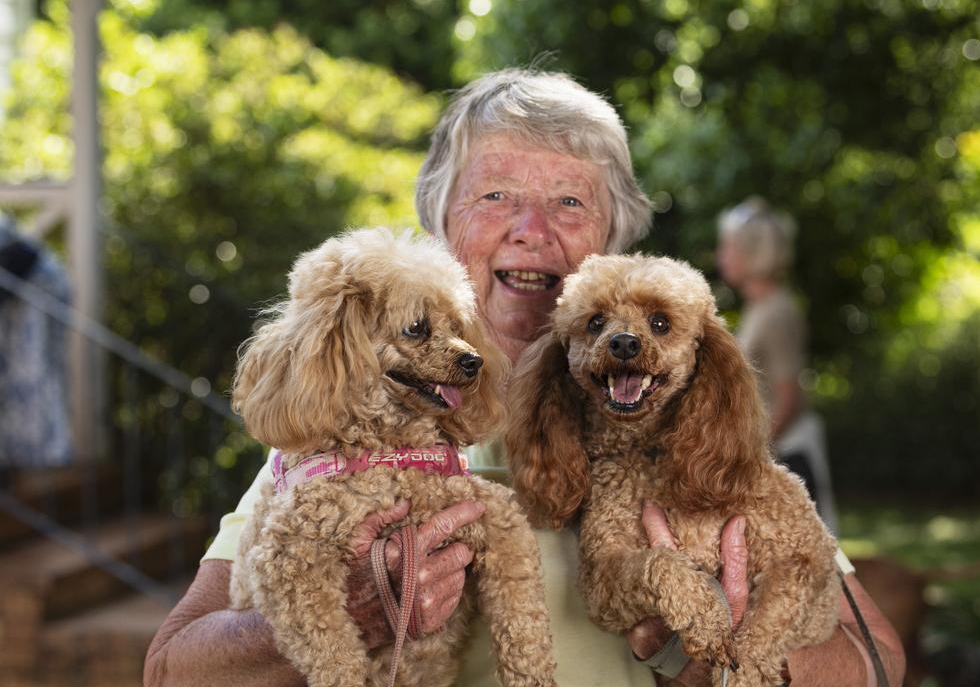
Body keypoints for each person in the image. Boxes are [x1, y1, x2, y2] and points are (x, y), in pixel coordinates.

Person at [144, 69, 904, 687]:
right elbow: (170, 669)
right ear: (443, 228)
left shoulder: (682, 423)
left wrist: (739, 645)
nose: (531, 230)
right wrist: (327, 615)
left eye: (570, 202)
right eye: (496, 195)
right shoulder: (342, 429)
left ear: (609, 246)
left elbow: (877, 661)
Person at [716, 198, 838, 534]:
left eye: (728, 247)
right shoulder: (759, 309)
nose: (720, 256)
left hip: (790, 453)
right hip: (776, 449)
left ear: (752, 252)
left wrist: (749, 456)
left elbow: (789, 396)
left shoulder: (777, 311)